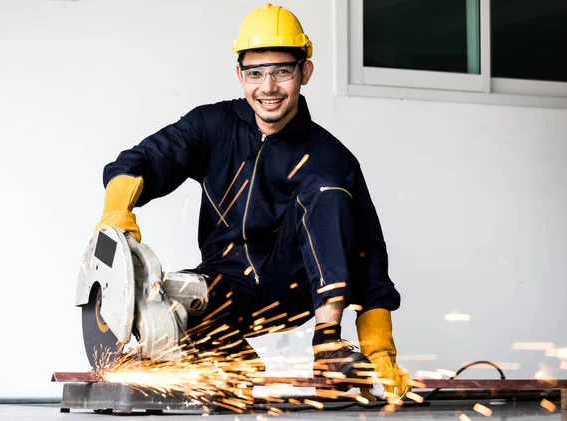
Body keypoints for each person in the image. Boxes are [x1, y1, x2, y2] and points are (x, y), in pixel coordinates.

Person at [95, 3, 411, 400]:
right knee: (166, 308)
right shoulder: (211, 126)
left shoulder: (333, 158)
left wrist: (379, 351)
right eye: (255, 73)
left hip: (293, 288)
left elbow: (370, 258)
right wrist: (116, 209)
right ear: (239, 75)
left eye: (282, 71)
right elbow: (143, 159)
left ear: (304, 72)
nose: (268, 88)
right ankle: (235, 364)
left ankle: (329, 345)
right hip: (225, 284)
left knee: (326, 188)